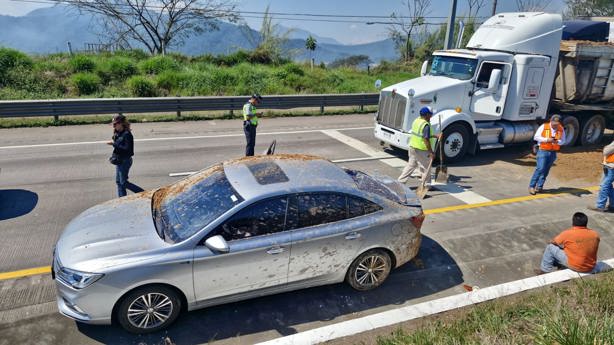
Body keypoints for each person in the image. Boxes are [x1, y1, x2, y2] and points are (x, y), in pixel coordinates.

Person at [538, 212, 605, 274]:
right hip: (590, 266)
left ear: (573, 222)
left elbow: (554, 242)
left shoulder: (568, 233)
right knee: (569, 249)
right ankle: (561, 266)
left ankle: (544, 271)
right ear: (586, 222)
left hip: (576, 266)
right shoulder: (595, 234)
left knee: (550, 248)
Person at [398, 106, 438, 184]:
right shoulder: (425, 125)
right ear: (426, 115)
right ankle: (426, 186)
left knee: (411, 165)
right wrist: (431, 152)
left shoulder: (417, 121)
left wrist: (435, 136)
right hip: (422, 150)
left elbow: (420, 134)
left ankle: (400, 182)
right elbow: (425, 139)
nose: (432, 116)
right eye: (430, 114)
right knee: (426, 168)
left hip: (412, 147)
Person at [107, 114, 143, 198]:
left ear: (121, 123)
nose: (113, 126)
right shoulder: (118, 133)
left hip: (125, 161)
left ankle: (142, 192)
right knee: (119, 182)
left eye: (115, 124)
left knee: (123, 182)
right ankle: (122, 199)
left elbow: (128, 149)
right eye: (113, 124)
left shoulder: (127, 135)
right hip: (119, 160)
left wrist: (114, 144)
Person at [528, 114, 566, 195]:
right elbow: (536, 137)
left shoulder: (561, 129)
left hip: (553, 152)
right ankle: (532, 186)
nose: (555, 125)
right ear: (550, 121)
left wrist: (557, 141)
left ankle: (540, 186)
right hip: (543, 150)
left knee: (546, 169)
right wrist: (547, 140)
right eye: (553, 123)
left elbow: (563, 141)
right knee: (540, 168)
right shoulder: (544, 126)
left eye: (557, 124)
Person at [588, 139, 614, 212]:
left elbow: (606, 152)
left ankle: (600, 206)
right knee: (608, 186)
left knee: (604, 186)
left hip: (611, 167)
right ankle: (613, 205)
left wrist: (606, 147)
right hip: (609, 165)